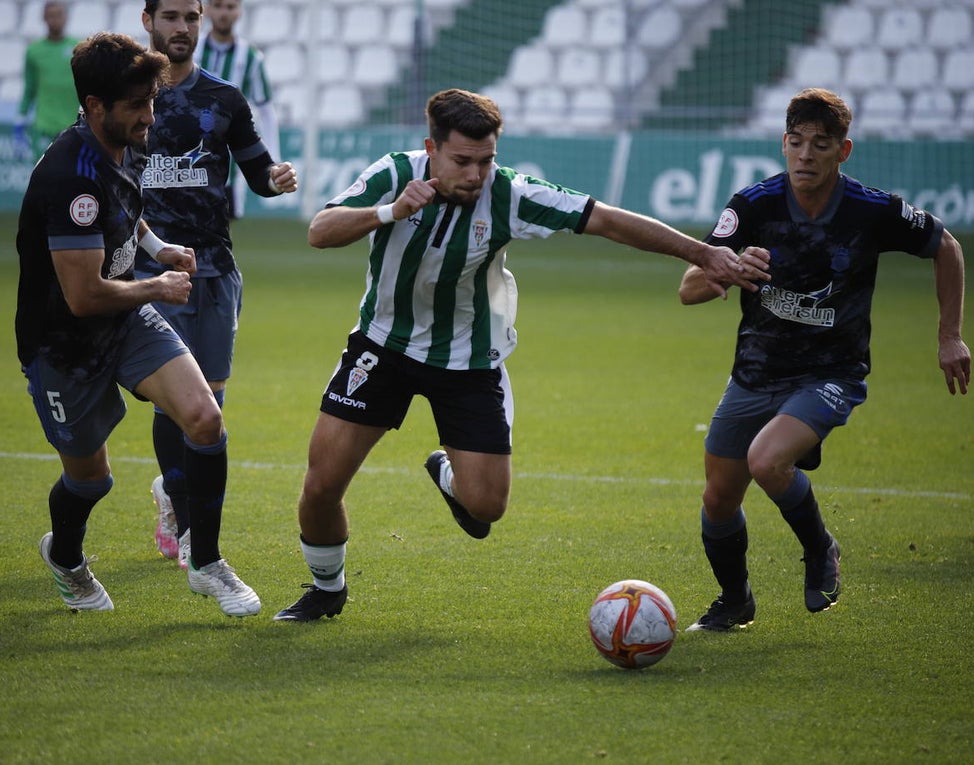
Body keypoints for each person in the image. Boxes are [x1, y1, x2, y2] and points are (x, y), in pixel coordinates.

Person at [272, 88, 763, 622]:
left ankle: (449, 476)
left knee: (487, 508)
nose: (475, 174)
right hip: (383, 346)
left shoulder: (509, 194)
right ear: (430, 149)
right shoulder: (394, 173)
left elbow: (606, 219)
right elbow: (321, 231)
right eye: (462, 161)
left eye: (486, 161)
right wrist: (391, 210)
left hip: (469, 361)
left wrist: (704, 253)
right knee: (321, 486)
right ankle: (327, 588)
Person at [678, 88, 969, 632]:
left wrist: (949, 335)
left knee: (768, 461)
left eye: (820, 143)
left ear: (844, 150)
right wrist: (731, 267)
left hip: (830, 373)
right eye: (796, 142)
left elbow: (946, 246)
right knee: (718, 499)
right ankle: (735, 601)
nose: (806, 154)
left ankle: (820, 550)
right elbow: (689, 288)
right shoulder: (752, 206)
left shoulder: (872, 210)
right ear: (783, 145)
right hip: (756, 372)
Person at [15, 31, 260, 617]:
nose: (151, 115)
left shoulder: (130, 139)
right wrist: (158, 284)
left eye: (152, 100)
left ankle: (206, 562)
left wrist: (158, 244)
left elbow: (129, 209)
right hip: (65, 343)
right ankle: (67, 558)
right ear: (95, 107)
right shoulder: (70, 175)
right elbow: (82, 294)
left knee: (203, 417)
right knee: (91, 480)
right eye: (137, 105)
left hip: (125, 319)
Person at [139, 0, 297, 568]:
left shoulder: (224, 99)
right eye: (172, 17)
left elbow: (258, 174)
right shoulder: (128, 95)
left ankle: (171, 492)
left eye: (192, 18)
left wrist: (276, 179)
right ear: (148, 21)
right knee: (171, 403)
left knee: (211, 403)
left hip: (217, 271)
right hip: (154, 273)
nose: (182, 29)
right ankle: (183, 517)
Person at [199, 0, 279, 219]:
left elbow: (267, 111)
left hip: (229, 160)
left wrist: (272, 163)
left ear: (239, 12)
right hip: (189, 152)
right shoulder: (191, 50)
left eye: (230, 6)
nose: (224, 12)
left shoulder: (251, 57)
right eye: (218, 5)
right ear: (206, 10)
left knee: (222, 228)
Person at [14, 0, 80, 159]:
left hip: (73, 127)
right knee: (45, 177)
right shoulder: (34, 51)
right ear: (43, 18)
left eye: (58, 15)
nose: (54, 20)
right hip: (44, 126)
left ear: (65, 17)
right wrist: (20, 119)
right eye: (50, 16)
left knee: (72, 179)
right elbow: (29, 89)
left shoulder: (78, 48)